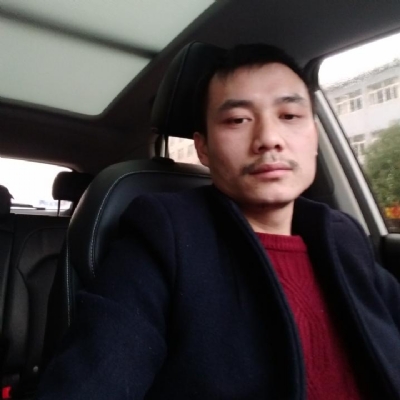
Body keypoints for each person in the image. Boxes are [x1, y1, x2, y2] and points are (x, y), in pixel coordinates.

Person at [38, 44, 400, 400]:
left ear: (314, 137)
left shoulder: (343, 234)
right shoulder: (166, 233)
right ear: (203, 149)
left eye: (290, 116)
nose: (269, 139)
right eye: (238, 120)